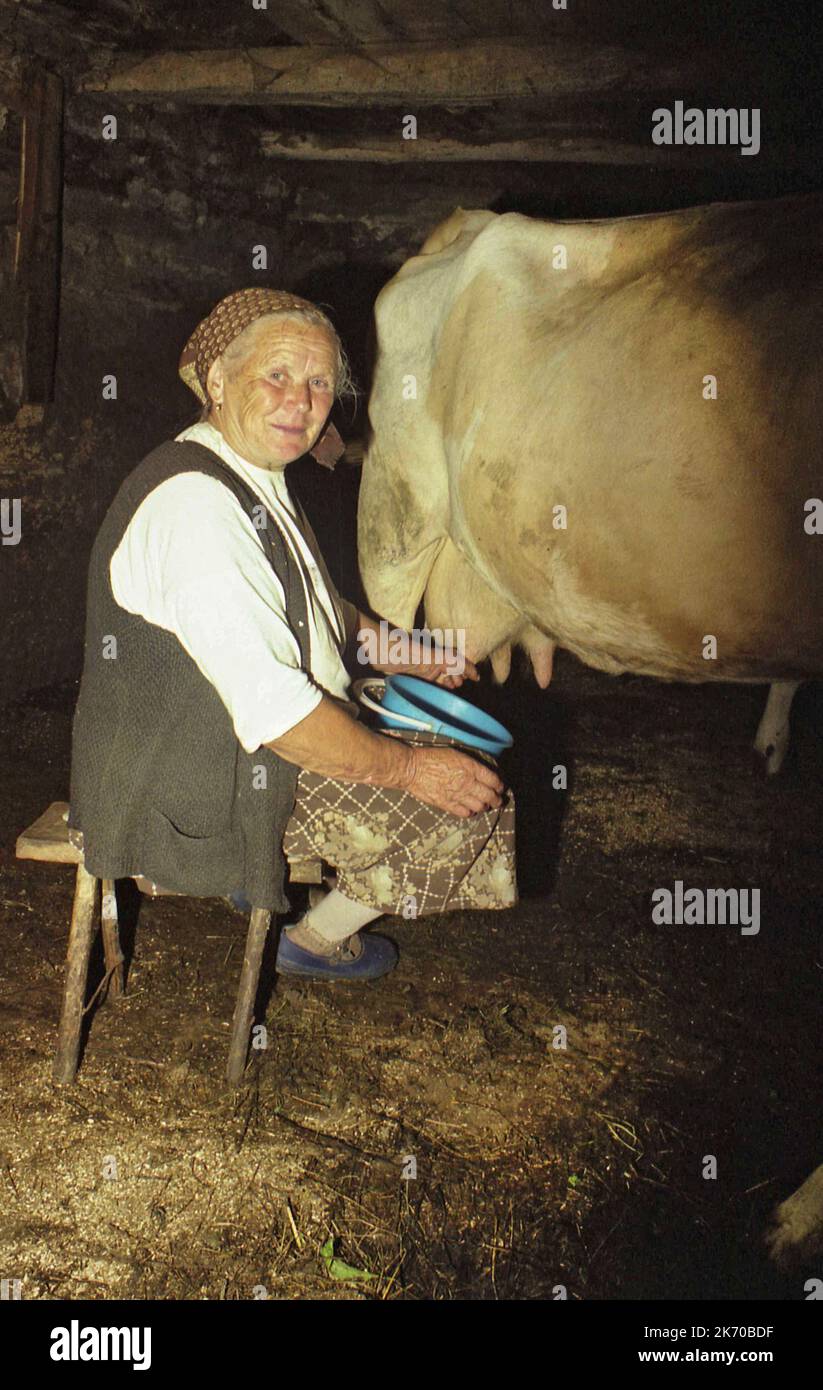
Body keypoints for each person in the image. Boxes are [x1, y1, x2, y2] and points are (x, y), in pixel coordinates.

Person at [68, 288, 516, 981]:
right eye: (276, 375)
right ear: (217, 381)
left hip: (229, 742)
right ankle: (310, 937)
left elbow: (321, 610)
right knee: (463, 804)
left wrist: (407, 654)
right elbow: (277, 712)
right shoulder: (197, 506)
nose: (301, 403)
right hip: (184, 780)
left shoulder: (251, 474)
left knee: (457, 766)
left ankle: (284, 895)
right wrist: (407, 769)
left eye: (317, 384)